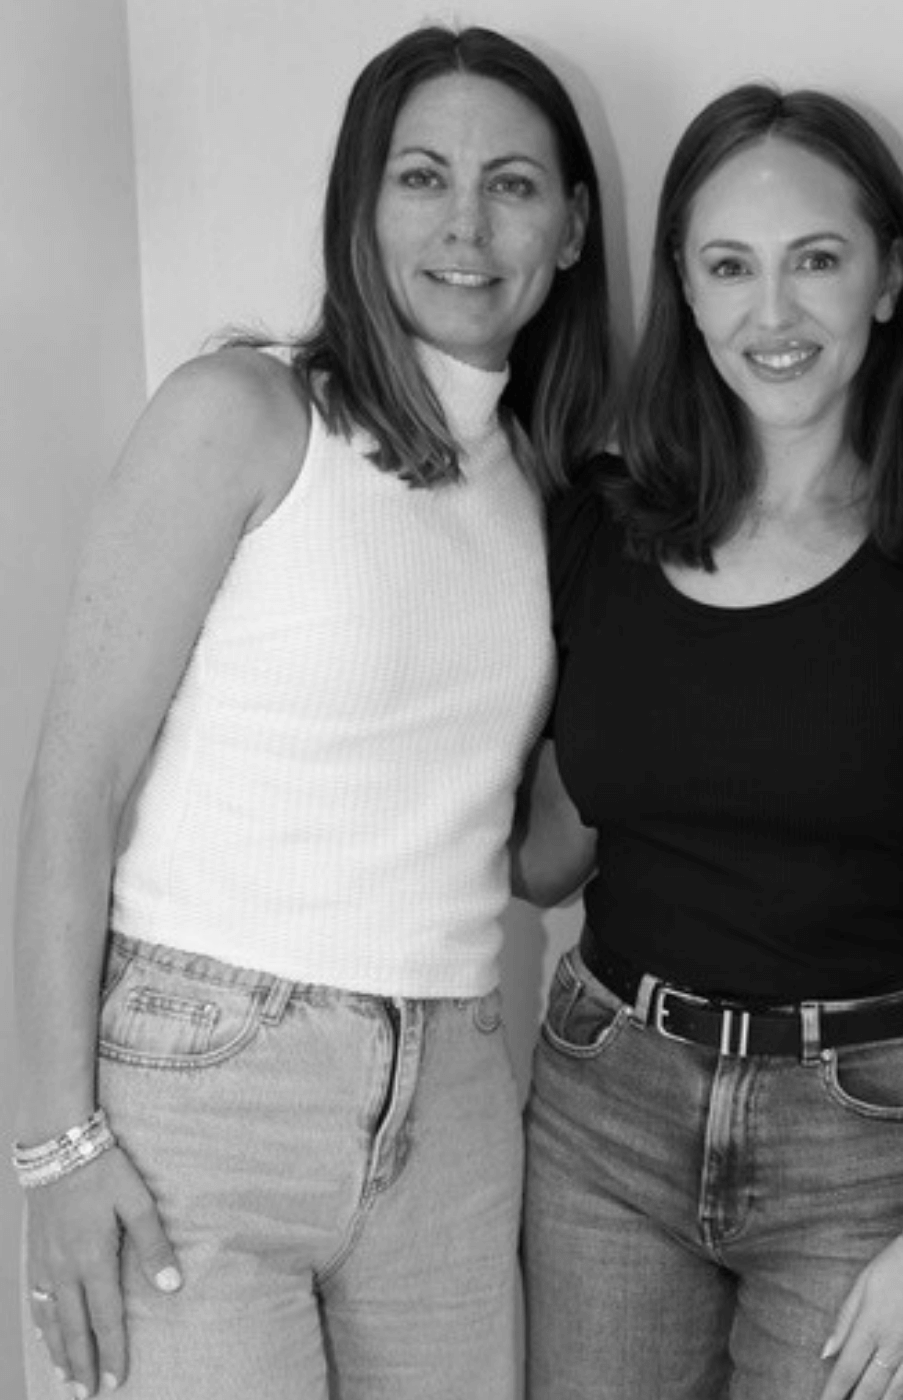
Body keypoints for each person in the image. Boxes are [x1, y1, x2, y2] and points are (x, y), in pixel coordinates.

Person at [10, 25, 611, 1400]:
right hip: (206, 1084)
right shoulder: (246, 414)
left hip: (455, 1097)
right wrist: (53, 1149)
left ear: (573, 228)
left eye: (514, 185)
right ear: (361, 204)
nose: (467, 226)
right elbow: (71, 789)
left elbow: (534, 859)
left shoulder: (546, 494)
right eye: (422, 177)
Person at [513, 83, 903, 1400]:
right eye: (729, 267)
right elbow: (546, 854)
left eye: (816, 260)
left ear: (889, 278)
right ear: (684, 291)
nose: (773, 313)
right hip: (605, 1105)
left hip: (869, 1137)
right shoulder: (597, 527)